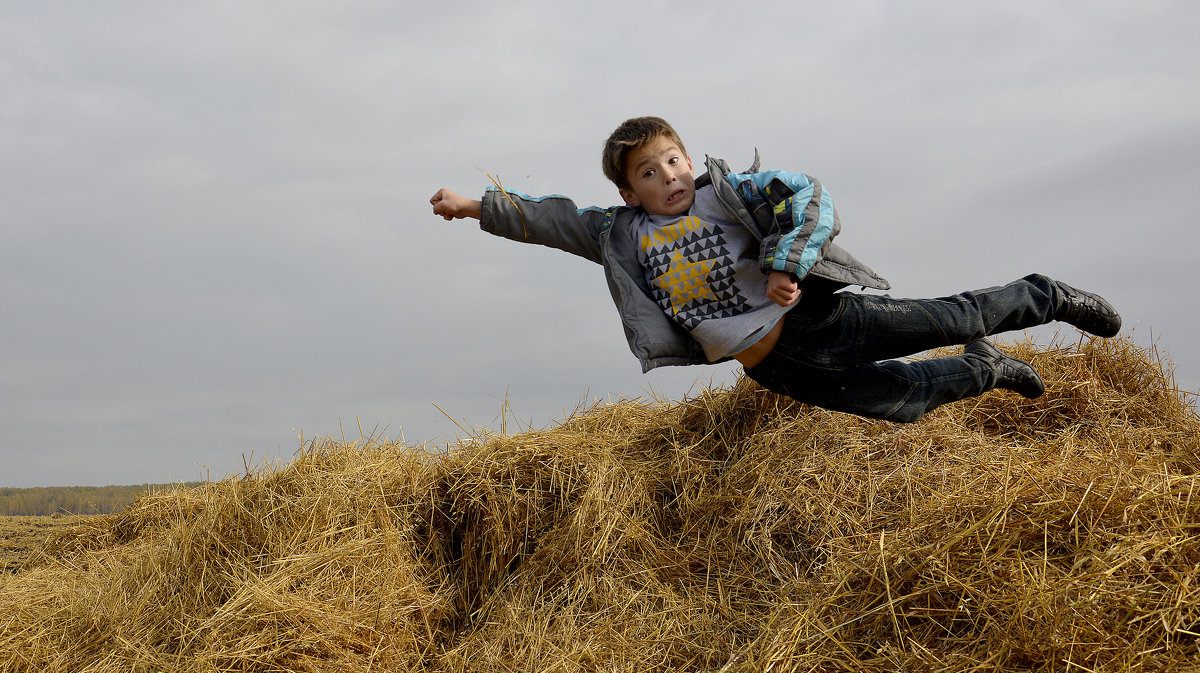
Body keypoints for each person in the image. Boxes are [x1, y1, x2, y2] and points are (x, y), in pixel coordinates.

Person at [429, 116, 1121, 422]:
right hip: (770, 366)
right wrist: (470, 206)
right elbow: (546, 218)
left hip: (816, 318)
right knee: (903, 403)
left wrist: (784, 262)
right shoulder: (620, 234)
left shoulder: (724, 193)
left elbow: (808, 194)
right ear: (627, 191)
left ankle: (1049, 295)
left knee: (953, 315)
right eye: (649, 171)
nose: (669, 175)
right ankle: (987, 370)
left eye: (673, 158)